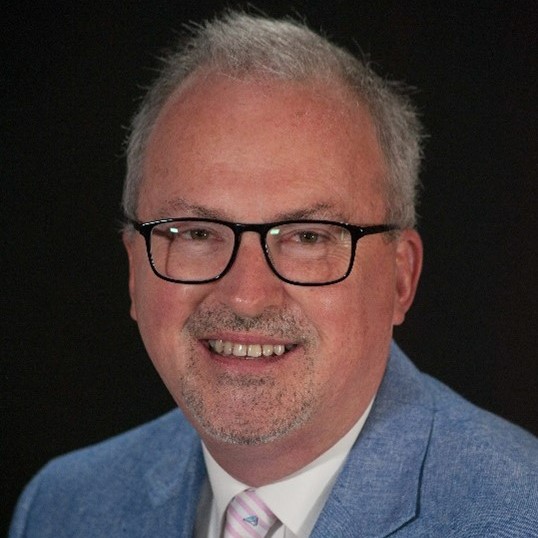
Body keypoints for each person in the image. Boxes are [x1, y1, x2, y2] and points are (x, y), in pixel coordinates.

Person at [9, 11, 538, 538]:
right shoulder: (62, 508)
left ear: (402, 279)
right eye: (195, 233)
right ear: (133, 272)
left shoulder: (520, 513)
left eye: (308, 237)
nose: (245, 296)